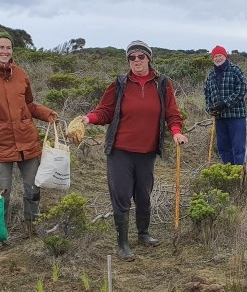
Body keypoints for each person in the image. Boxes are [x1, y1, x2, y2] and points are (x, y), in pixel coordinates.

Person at [71, 41, 188, 261]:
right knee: (122, 195)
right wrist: (87, 119)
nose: (136, 61)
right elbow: (104, 111)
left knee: (143, 195)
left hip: (147, 151)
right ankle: (122, 243)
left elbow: (172, 113)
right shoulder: (120, 84)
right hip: (120, 151)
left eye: (140, 57)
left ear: (149, 58)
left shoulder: (162, 84)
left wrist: (176, 132)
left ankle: (143, 234)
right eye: (132, 57)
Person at [0, 30, 58, 246]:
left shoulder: (21, 74)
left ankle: (32, 227)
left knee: (32, 187)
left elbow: (29, 104)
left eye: (8, 47)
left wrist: (47, 114)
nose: (5, 51)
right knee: (2, 192)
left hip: (27, 141)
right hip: (0, 144)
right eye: (1, 47)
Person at [203, 45, 247, 165]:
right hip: (220, 118)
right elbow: (207, 94)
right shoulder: (211, 75)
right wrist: (210, 108)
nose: (218, 58)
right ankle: (228, 174)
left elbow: (242, 89)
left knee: (238, 148)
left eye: (220, 55)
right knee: (223, 148)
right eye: (215, 56)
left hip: (236, 116)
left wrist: (225, 103)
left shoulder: (235, 70)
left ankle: (239, 176)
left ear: (225, 56)